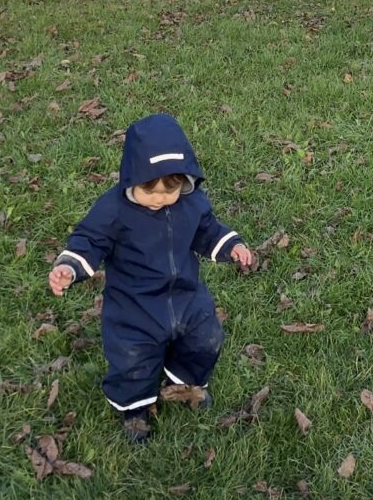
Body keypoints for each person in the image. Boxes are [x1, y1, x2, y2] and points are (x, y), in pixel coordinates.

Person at [48, 113, 253, 442]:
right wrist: (69, 268)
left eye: (170, 189)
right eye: (150, 189)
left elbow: (207, 231)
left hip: (185, 295)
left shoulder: (191, 202)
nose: (160, 197)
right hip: (135, 304)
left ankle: (185, 382)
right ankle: (135, 410)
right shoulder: (113, 210)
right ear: (132, 177)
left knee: (206, 338)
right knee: (133, 358)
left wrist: (232, 246)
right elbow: (89, 240)